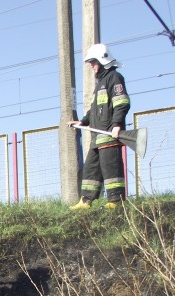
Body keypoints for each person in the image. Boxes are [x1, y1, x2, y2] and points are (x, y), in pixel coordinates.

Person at [68, 43, 131, 210]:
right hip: (97, 136)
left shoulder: (114, 78)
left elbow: (122, 102)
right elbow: (95, 109)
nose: (91, 65)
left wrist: (117, 125)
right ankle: (86, 201)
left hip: (109, 134)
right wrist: (83, 121)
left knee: (111, 168)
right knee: (91, 169)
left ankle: (115, 202)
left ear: (103, 60)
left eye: (93, 62)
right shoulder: (100, 83)